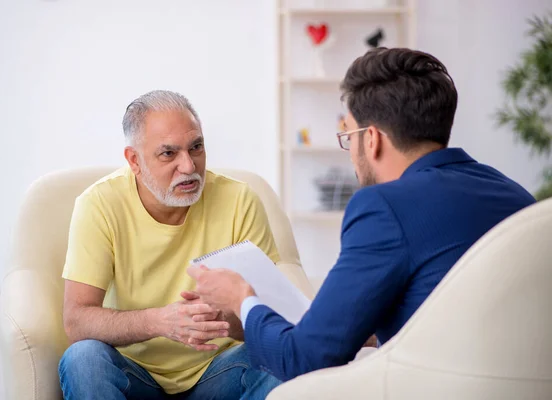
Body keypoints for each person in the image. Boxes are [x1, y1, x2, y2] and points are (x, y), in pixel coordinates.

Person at [187, 47, 537, 384]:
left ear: (371, 139)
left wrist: (242, 299)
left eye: (348, 135)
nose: (350, 153)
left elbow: (304, 361)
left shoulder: (383, 206)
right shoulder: (515, 194)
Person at [58, 90, 282, 399]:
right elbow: (77, 320)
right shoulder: (99, 204)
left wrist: (223, 319)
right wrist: (160, 321)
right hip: (133, 373)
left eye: (196, 147)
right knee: (82, 359)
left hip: (220, 371)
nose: (189, 166)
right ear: (134, 160)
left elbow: (274, 319)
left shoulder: (240, 201)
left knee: (280, 357)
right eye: (168, 154)